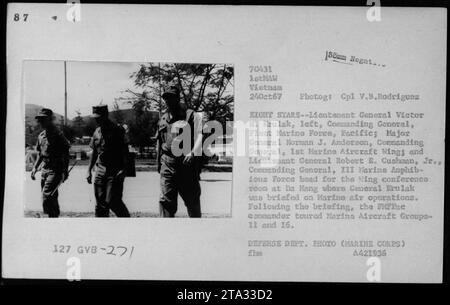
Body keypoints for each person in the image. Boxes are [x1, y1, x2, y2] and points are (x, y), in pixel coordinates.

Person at [156, 86, 203, 217]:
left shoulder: (191, 115)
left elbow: (200, 134)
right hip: (167, 164)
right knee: (166, 202)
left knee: (192, 201)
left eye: (171, 97)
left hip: (186, 164)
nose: (168, 100)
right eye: (166, 98)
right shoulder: (163, 118)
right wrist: (158, 163)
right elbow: (160, 141)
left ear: (178, 98)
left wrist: (193, 152)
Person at [86, 105, 130, 217]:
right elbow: (94, 152)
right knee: (100, 204)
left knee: (113, 201)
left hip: (115, 171)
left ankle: (128, 222)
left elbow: (125, 150)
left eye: (99, 117)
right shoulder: (96, 132)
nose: (96, 120)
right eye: (95, 118)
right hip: (100, 170)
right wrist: (89, 170)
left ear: (106, 115)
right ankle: (102, 229)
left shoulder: (117, 130)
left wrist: (125, 169)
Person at [31, 108, 70, 218]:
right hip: (44, 170)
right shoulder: (41, 136)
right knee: (52, 198)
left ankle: (52, 216)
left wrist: (65, 171)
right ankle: (53, 219)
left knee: (46, 196)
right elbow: (40, 154)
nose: (41, 122)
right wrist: (35, 168)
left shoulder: (58, 134)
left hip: (55, 170)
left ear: (50, 119)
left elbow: (66, 152)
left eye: (43, 119)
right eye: (40, 119)